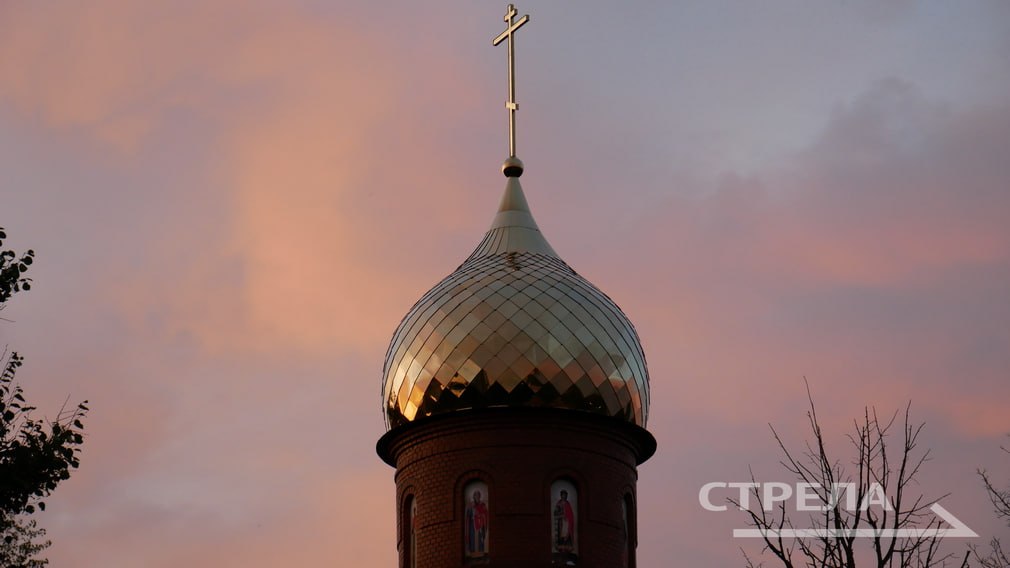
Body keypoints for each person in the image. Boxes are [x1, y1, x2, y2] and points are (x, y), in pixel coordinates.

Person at [465, 489, 489, 556]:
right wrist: (471, 511)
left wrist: (480, 515)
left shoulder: (482, 505)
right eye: (475, 495)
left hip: (480, 525)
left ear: (480, 496)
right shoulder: (470, 506)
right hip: (472, 525)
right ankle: (473, 553)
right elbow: (468, 517)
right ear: (473, 496)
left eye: (478, 495)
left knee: (480, 538)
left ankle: (481, 553)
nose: (477, 497)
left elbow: (485, 514)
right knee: (472, 538)